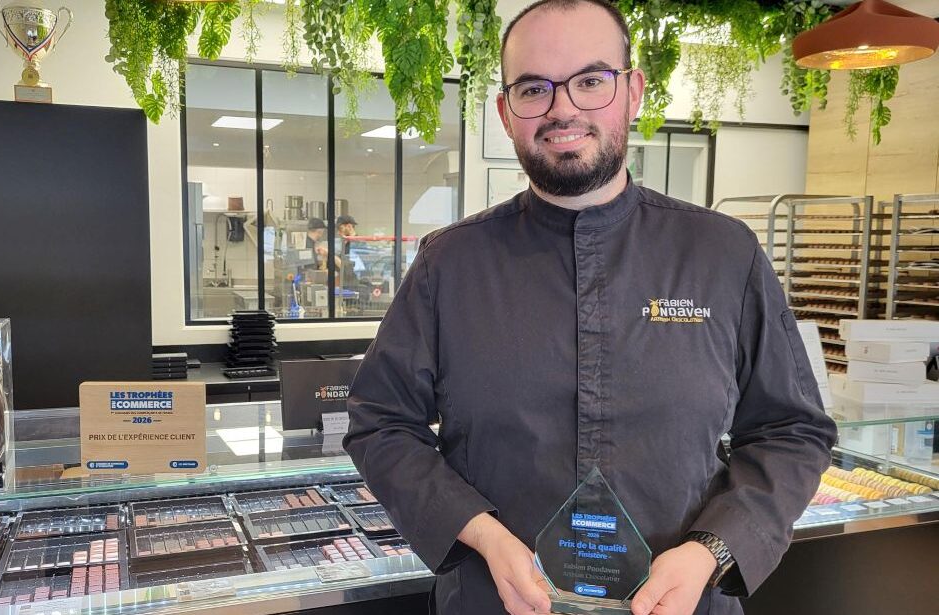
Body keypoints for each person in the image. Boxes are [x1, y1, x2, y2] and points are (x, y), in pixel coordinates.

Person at [343, 2, 837, 615]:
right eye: (533, 88)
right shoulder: (450, 265)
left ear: (633, 92)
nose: (563, 108)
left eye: (591, 80)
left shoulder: (723, 255)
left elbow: (792, 429)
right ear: (506, 112)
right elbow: (381, 423)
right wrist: (484, 536)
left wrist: (712, 548)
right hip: (494, 602)